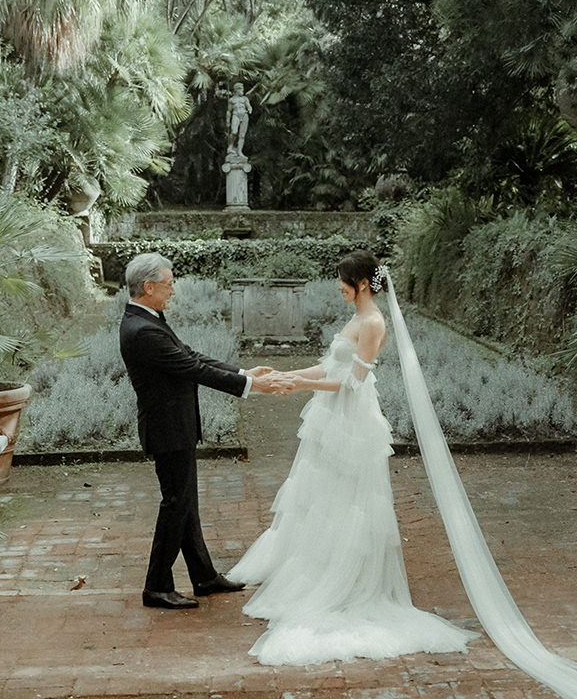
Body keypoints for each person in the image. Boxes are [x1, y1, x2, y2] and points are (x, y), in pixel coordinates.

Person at [227, 250, 477, 664]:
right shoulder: (355, 318)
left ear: (362, 283)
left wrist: (300, 386)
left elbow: (353, 383)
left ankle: (343, 578)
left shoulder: (373, 322)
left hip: (353, 421)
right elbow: (330, 367)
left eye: (343, 280)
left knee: (348, 499)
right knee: (323, 494)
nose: (337, 286)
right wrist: (287, 376)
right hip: (332, 418)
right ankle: (319, 565)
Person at [119, 253, 288, 611]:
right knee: (176, 504)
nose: (173, 291)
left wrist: (244, 372)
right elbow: (192, 368)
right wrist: (251, 385)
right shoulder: (142, 330)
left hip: (174, 427)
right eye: (169, 284)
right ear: (148, 287)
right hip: (167, 429)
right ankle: (156, 586)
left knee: (185, 504)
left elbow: (190, 355)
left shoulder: (147, 319)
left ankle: (204, 577)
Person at [227, 82, 252, 158]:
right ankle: (230, 147)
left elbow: (249, 106)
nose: (243, 90)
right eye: (241, 89)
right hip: (236, 115)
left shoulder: (244, 99)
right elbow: (228, 111)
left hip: (244, 115)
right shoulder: (231, 100)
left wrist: (250, 109)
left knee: (242, 135)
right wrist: (227, 121)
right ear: (236, 90)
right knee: (234, 132)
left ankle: (239, 151)